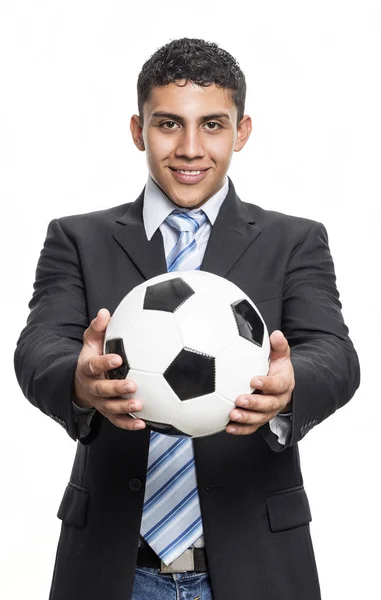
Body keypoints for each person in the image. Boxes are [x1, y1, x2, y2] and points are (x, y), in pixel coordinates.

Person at [14, 38, 360, 600]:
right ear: (138, 130)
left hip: (258, 563)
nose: (191, 148)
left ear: (242, 132)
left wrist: (292, 385)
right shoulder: (78, 238)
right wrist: (77, 381)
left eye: (214, 125)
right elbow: (40, 346)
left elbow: (334, 353)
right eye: (169, 124)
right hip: (111, 566)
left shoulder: (293, 241)